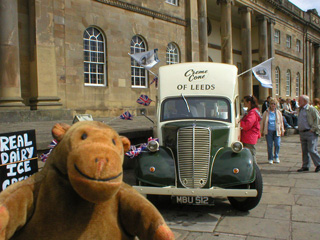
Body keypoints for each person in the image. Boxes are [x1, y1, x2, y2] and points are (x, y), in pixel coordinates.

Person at [297, 95, 320, 172]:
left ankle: (318, 164)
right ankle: (305, 166)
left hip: (310, 132)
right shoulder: (300, 109)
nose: (298, 102)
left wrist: (313, 129)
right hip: (302, 132)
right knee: (304, 150)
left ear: (305, 101)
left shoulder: (311, 109)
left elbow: (317, 120)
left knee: (312, 149)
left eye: (300, 100)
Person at [261, 98, 285, 164]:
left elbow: (281, 122)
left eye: (274, 104)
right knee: (270, 145)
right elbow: (262, 122)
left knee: (277, 144)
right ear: (269, 104)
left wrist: (282, 130)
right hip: (269, 131)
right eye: (272, 104)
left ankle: (276, 156)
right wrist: (261, 131)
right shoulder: (266, 112)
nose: (273, 105)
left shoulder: (278, 112)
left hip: (276, 130)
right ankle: (270, 158)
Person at [240, 95, 262, 163]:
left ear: (249, 102)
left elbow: (247, 125)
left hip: (249, 137)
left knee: (251, 155)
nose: (244, 104)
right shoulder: (252, 112)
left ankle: (254, 171)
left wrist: (239, 122)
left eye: (245, 102)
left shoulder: (252, 113)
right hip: (250, 136)